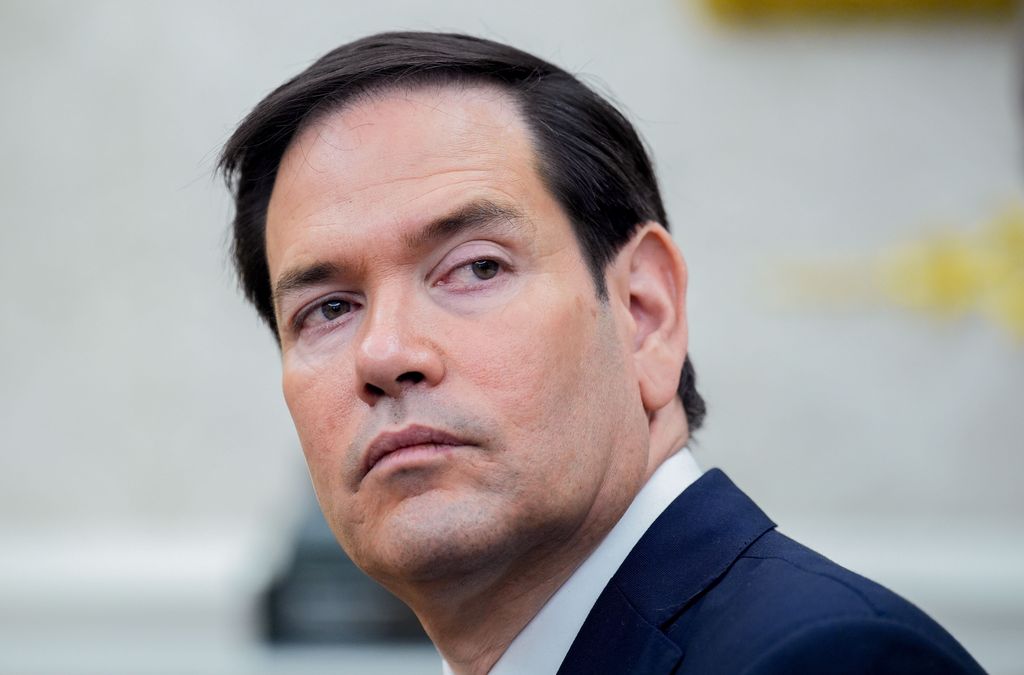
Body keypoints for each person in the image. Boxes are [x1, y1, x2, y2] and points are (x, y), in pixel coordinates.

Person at [218, 31, 985, 675]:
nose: (384, 353)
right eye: (327, 309)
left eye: (477, 266)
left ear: (644, 313)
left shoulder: (823, 659)